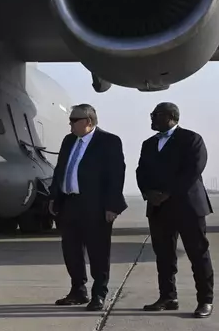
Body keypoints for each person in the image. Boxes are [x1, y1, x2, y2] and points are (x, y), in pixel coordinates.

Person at [136, 102, 214, 318]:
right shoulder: (149, 144)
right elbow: (141, 171)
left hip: (187, 207)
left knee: (198, 254)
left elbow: (194, 169)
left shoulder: (191, 139)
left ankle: (205, 300)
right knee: (164, 256)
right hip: (159, 209)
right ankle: (168, 296)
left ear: (170, 116)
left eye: (155, 114)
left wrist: (168, 192)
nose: (151, 118)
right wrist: (148, 193)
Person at [48, 104, 127, 311]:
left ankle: (99, 294)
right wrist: (54, 196)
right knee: (71, 251)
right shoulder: (68, 141)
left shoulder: (109, 141)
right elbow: (60, 170)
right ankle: (77, 291)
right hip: (69, 204)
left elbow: (116, 175)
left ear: (89, 122)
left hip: (96, 206)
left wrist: (112, 206)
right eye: (71, 119)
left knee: (98, 252)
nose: (70, 123)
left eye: (74, 120)